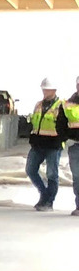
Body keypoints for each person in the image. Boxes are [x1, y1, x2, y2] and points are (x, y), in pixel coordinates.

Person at [25, 78, 64, 211]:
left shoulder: (61, 105)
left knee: (52, 174)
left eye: (47, 89)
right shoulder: (38, 105)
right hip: (38, 144)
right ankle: (44, 193)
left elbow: (64, 126)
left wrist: (61, 139)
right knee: (30, 170)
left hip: (53, 145)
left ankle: (49, 201)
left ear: (54, 90)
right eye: (43, 89)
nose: (44, 91)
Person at [58, 77, 79, 215]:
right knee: (77, 176)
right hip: (75, 145)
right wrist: (67, 138)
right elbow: (60, 124)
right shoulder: (67, 104)